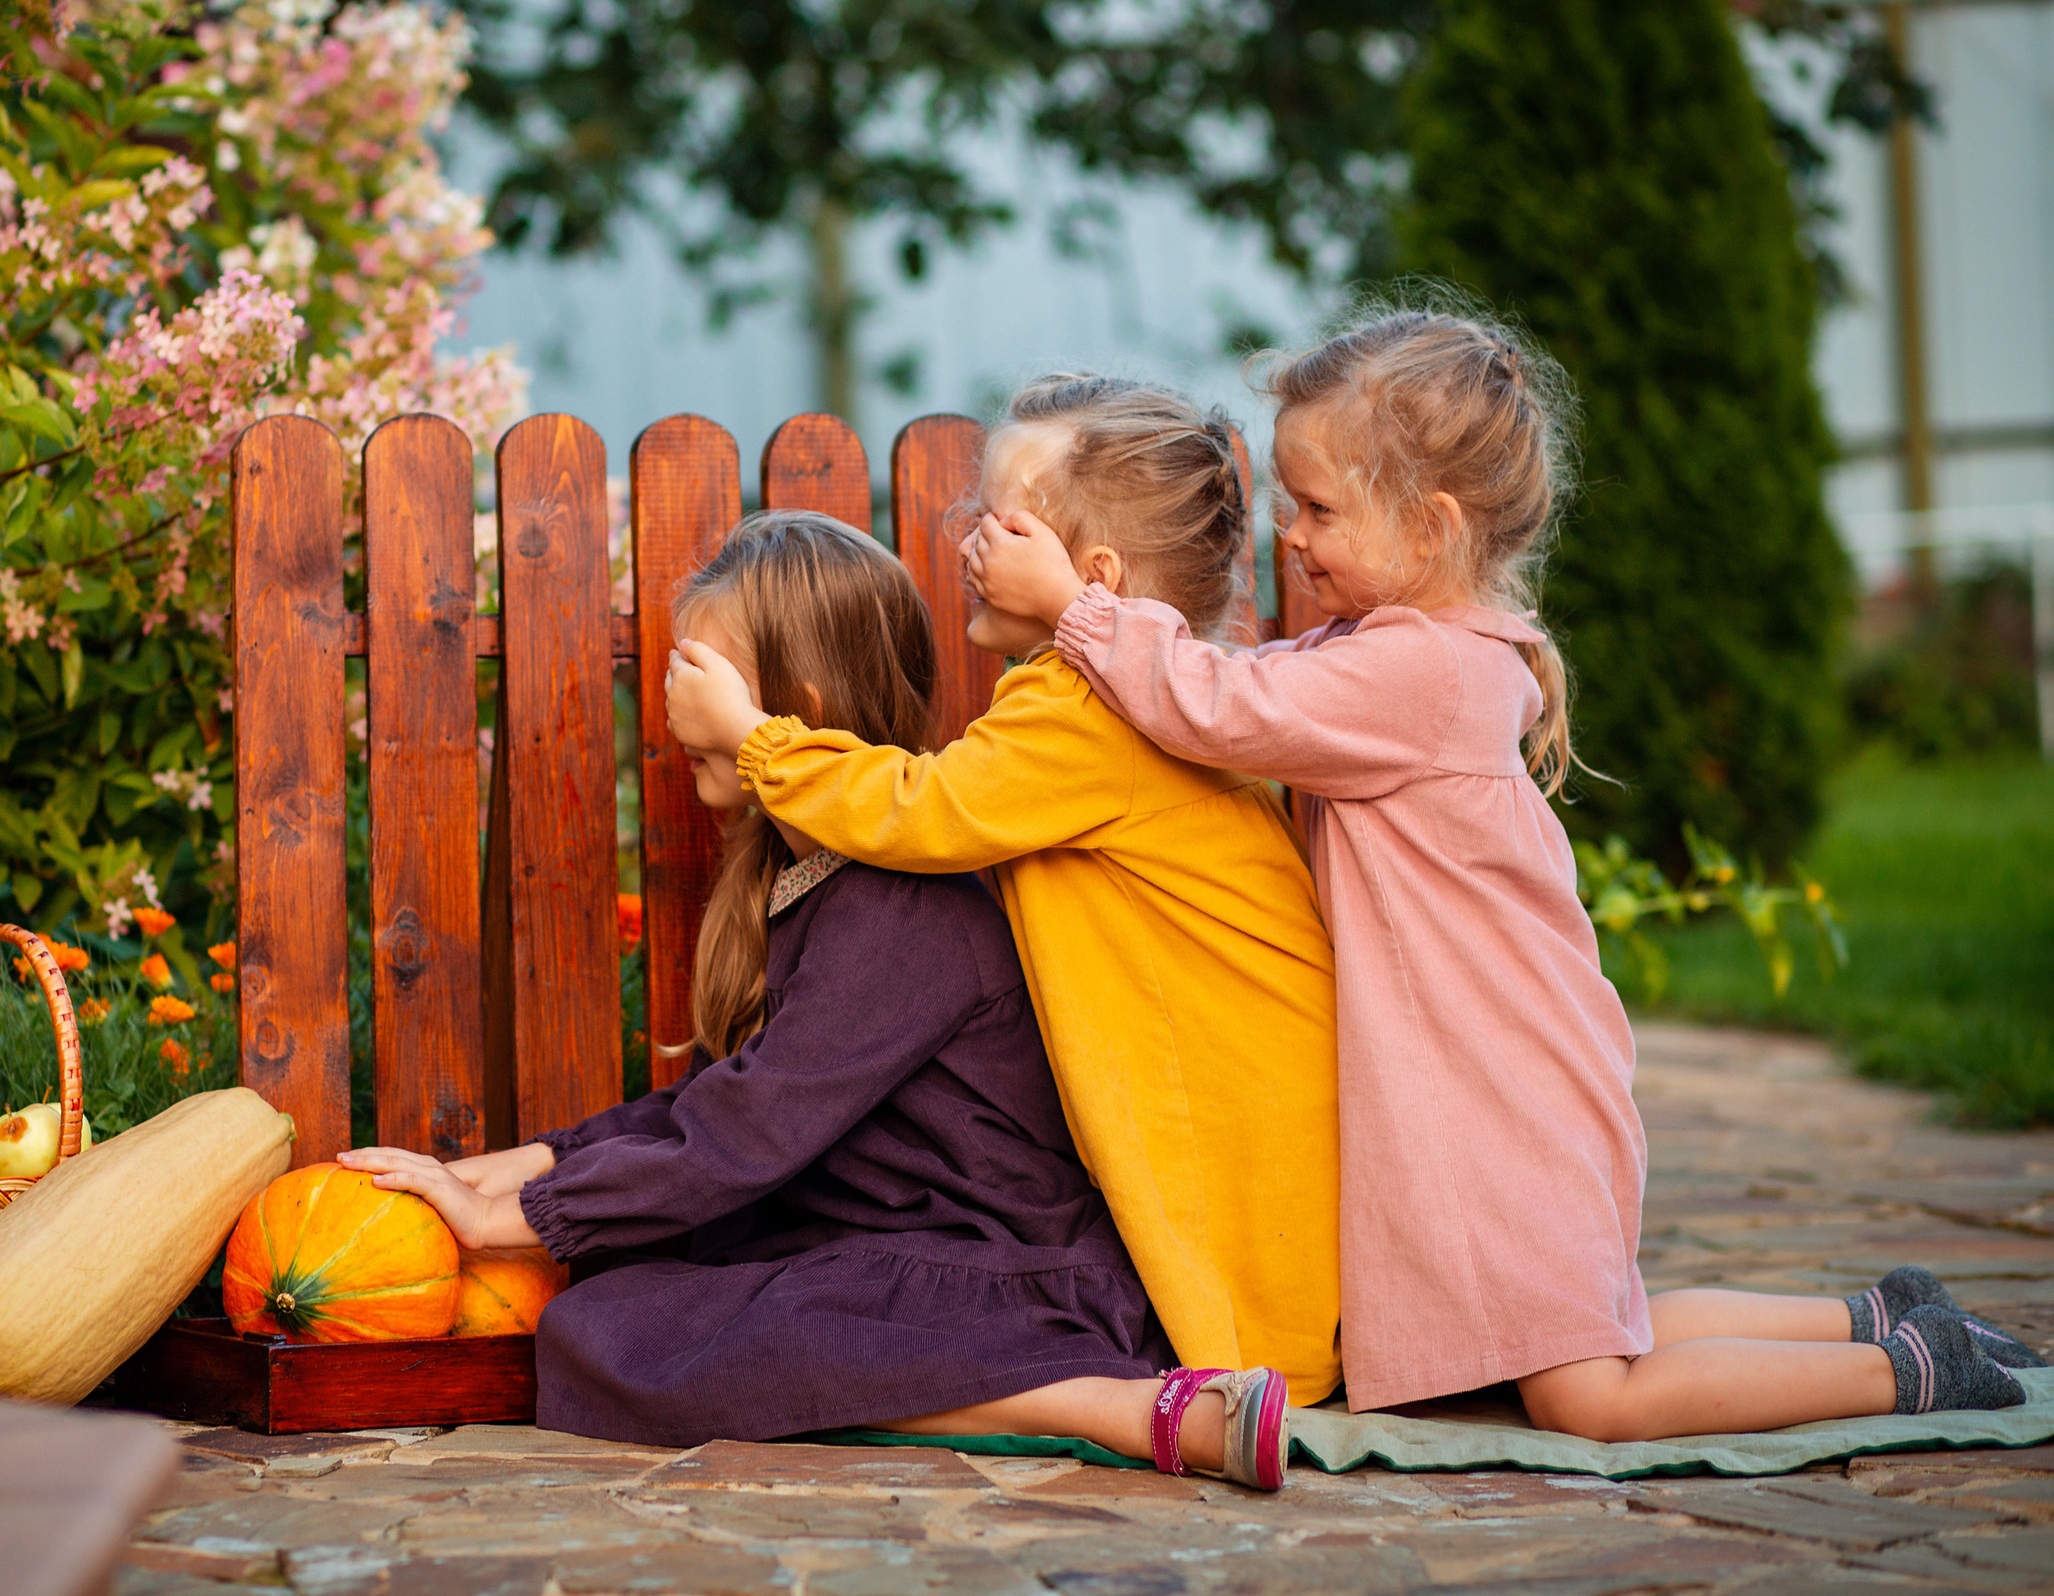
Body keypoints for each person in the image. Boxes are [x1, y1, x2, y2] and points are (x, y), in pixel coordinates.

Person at [963, 305, 2041, 1436]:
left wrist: (1079, 612)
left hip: (1502, 1086)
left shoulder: (1419, 673)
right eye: (1290, 502)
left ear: (1429, 528)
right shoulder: (1392, 653)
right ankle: (1876, 1317)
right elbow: (1242, 690)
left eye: (1319, 508)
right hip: (1494, 1069)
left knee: (1590, 1394)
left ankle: (1902, 1370)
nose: (1290, 533)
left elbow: (1223, 703)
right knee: (1590, 1325)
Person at [342, 512, 1288, 1489]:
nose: (672, 700)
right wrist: (510, 1173)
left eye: (701, 673)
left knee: (629, 1336)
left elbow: (745, 1133)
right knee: (613, 1309)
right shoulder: (812, 881)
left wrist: (510, 1219)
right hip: (891, 1244)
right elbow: (711, 1104)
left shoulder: (900, 902)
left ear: (799, 707)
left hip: (1014, 1272)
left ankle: (1126, 1407)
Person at [661, 380, 1345, 1455]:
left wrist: (755, 737)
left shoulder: (1082, 707)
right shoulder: (1141, 696)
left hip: (1230, 1124)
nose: (969, 541)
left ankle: (1196, 1396)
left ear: (1094, 581)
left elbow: (918, 809)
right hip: (1260, 1100)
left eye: (1004, 524)